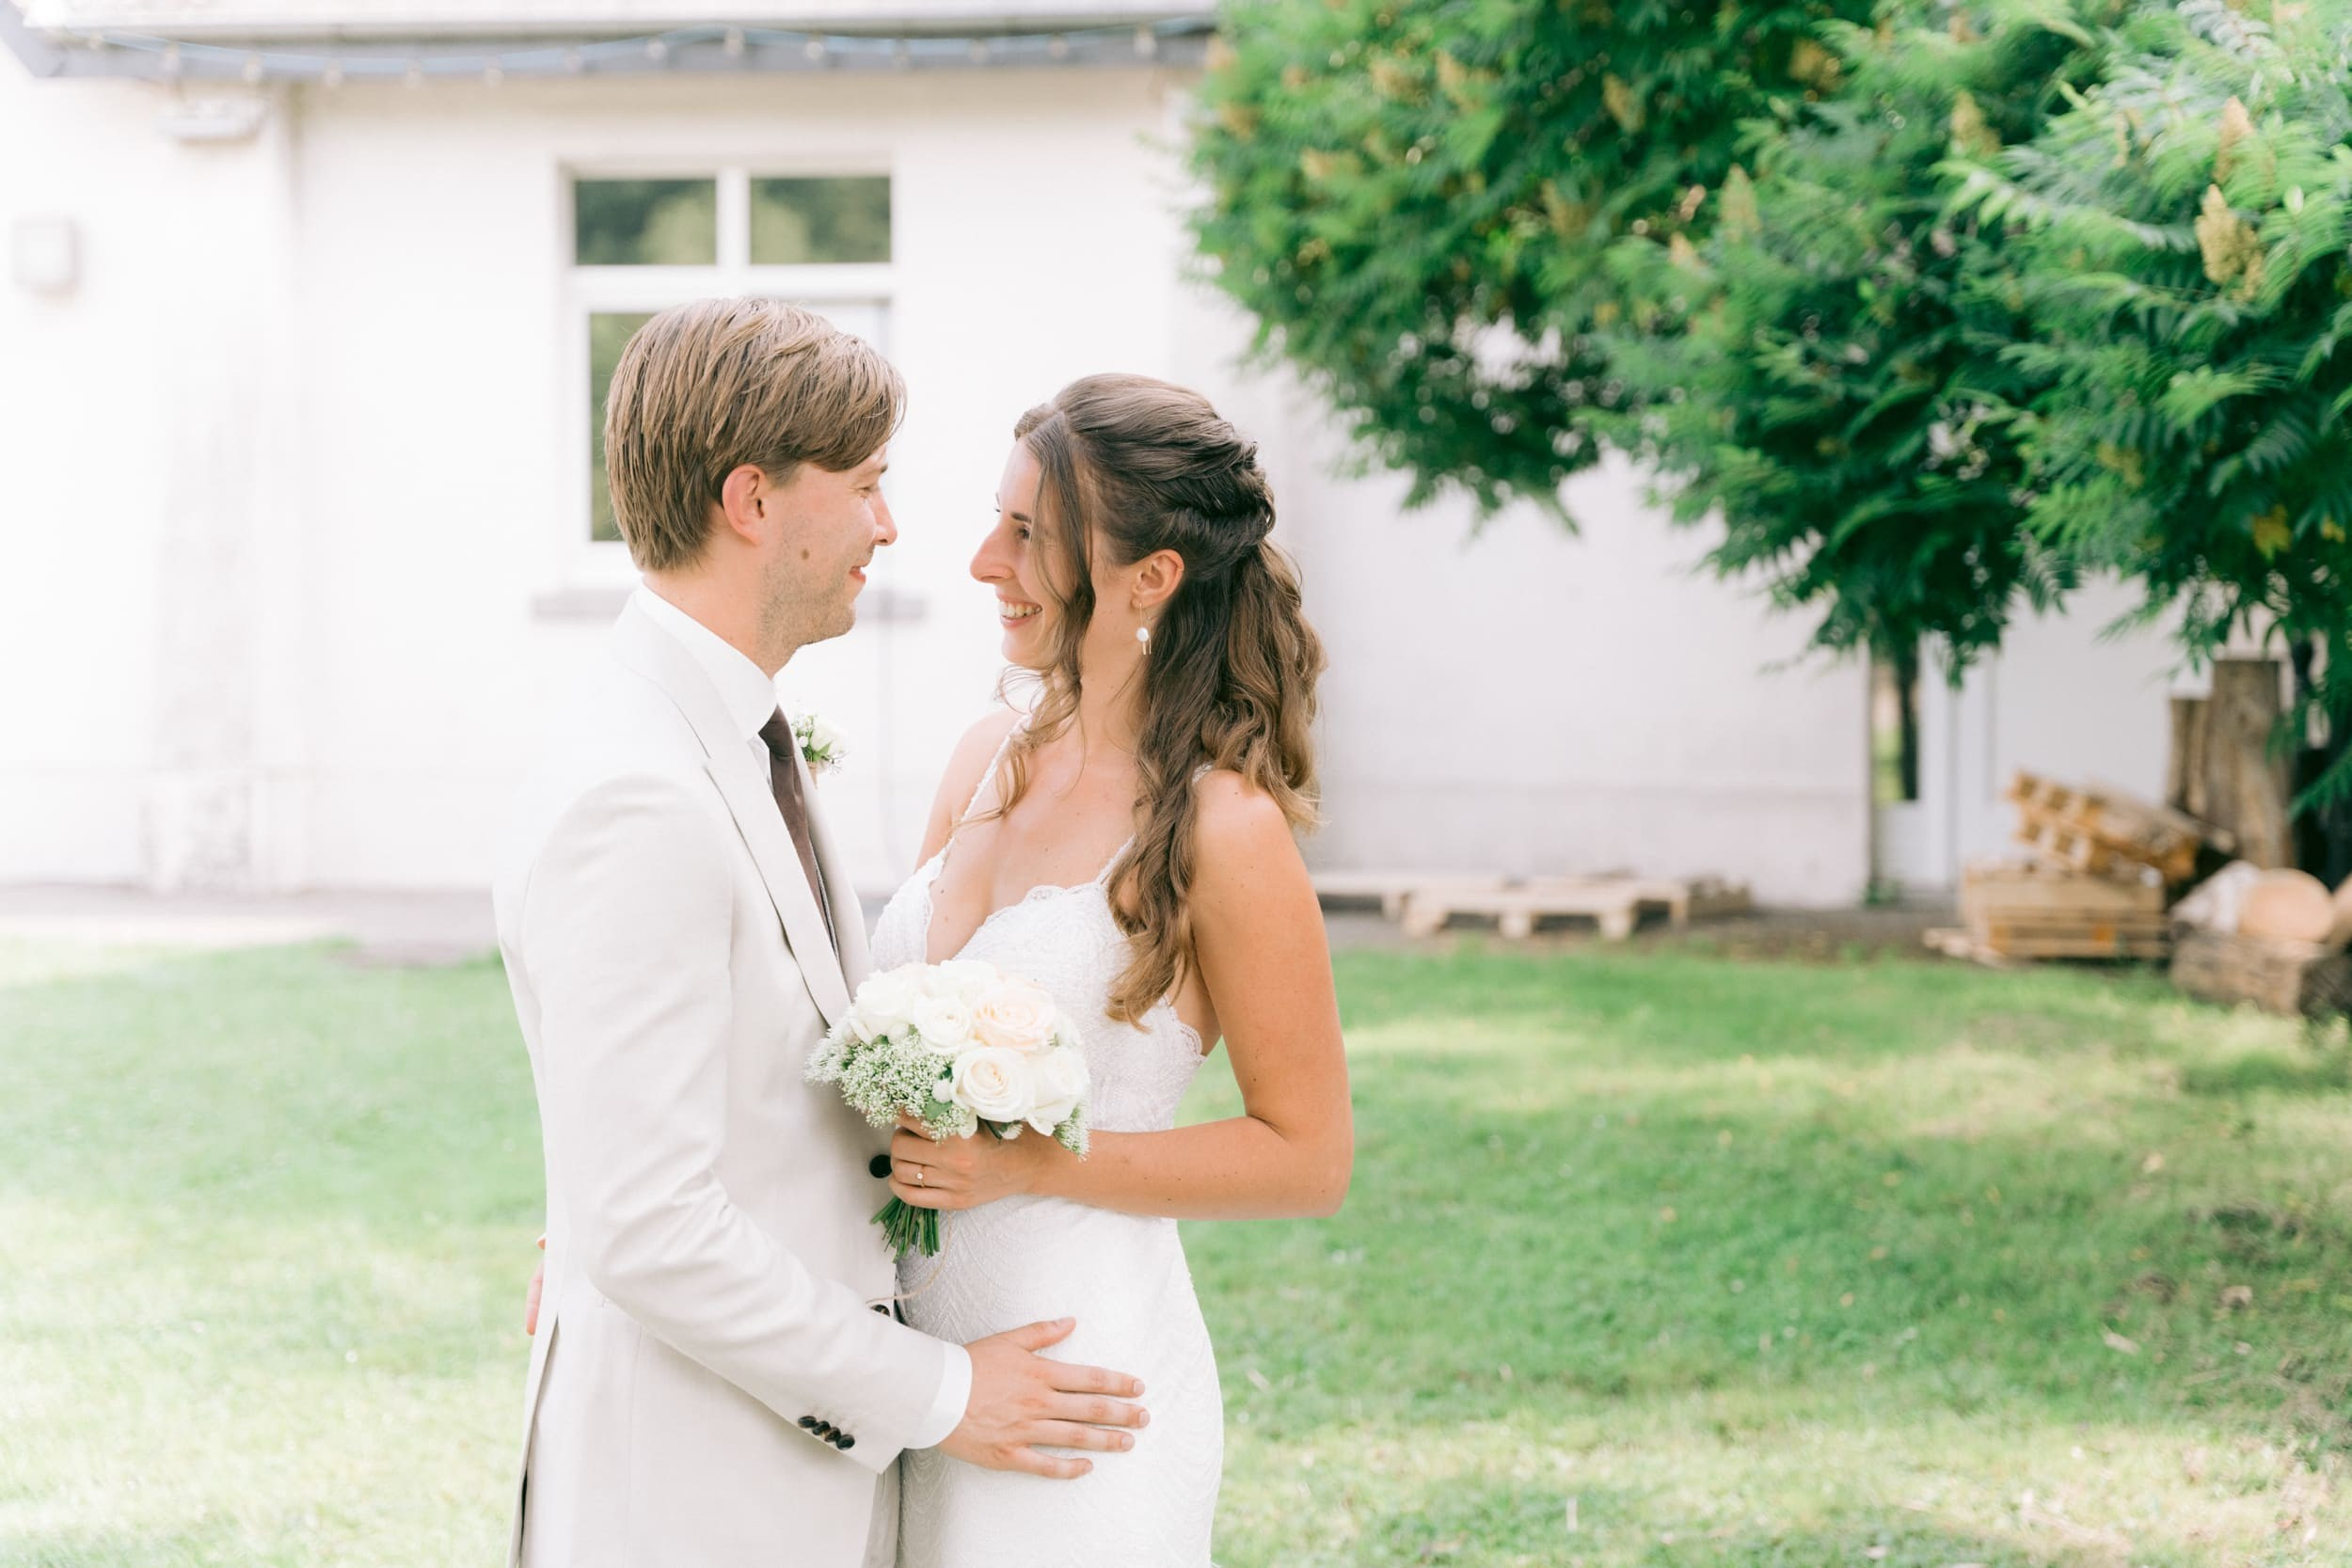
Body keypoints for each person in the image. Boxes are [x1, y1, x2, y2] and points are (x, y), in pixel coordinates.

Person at [494, 299, 1146, 1568]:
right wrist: (944, 1392)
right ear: (753, 500)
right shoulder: (639, 789)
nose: (890, 527)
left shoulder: (716, 732)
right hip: (694, 1490)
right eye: (864, 484)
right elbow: (649, 1225)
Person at [868, 374, 1354, 1566]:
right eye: (997, 520)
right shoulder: (986, 756)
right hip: (913, 1379)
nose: (986, 560)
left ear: (1150, 575)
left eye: (1029, 532)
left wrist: (1040, 1159)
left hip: (1081, 1392)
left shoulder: (1221, 828)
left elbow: (1309, 1156)